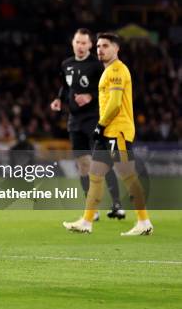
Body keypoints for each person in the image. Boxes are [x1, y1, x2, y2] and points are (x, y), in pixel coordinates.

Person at [63, 33, 153, 236]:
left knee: (128, 176)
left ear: (116, 48)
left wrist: (100, 125)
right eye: (99, 46)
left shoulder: (117, 70)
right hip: (108, 132)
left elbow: (114, 102)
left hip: (117, 131)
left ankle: (144, 221)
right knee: (95, 176)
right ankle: (86, 222)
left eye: (105, 46)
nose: (100, 50)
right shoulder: (108, 71)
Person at [50, 28, 125, 221]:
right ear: (73, 43)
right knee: (83, 166)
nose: (80, 46)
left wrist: (90, 95)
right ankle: (93, 208)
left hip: (95, 119)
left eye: (84, 43)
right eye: (78, 42)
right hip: (75, 121)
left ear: (90, 45)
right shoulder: (66, 64)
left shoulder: (97, 65)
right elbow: (66, 86)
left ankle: (117, 203)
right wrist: (59, 99)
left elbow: (106, 88)